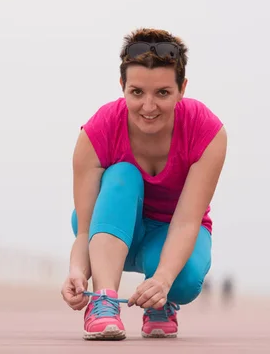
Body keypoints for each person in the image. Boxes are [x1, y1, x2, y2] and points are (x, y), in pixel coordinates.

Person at [60, 27, 227, 340]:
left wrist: (163, 280)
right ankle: (104, 302)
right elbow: (84, 229)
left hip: (173, 231)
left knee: (184, 280)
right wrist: (78, 271)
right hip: (114, 225)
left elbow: (187, 221)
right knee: (123, 174)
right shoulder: (97, 131)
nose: (148, 107)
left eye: (162, 93)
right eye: (137, 92)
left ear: (182, 89)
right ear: (122, 86)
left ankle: (160, 302)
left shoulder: (207, 130)